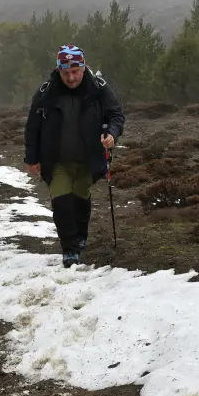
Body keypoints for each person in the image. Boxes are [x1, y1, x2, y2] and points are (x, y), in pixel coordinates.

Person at [24, 44, 125, 267]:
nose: (71, 78)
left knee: (80, 198)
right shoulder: (46, 91)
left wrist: (112, 134)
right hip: (56, 160)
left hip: (88, 159)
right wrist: (31, 158)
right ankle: (69, 248)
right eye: (66, 72)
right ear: (59, 70)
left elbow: (116, 114)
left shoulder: (98, 88)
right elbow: (33, 127)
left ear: (83, 66)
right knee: (61, 202)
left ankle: (80, 236)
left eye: (75, 71)